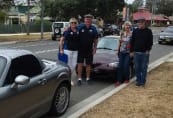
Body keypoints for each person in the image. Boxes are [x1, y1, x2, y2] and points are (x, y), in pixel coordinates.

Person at [130, 17, 153, 87]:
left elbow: (150, 42)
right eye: (139, 23)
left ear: (144, 23)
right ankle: (138, 80)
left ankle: (143, 82)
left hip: (144, 53)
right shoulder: (135, 31)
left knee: (143, 67)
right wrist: (131, 51)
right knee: (137, 67)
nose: (140, 24)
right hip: (136, 53)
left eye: (141, 23)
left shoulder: (148, 31)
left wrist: (148, 50)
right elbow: (132, 41)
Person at [77, 14, 98, 86]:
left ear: (91, 20)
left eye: (89, 19)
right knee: (80, 64)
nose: (88, 20)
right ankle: (79, 79)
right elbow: (73, 31)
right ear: (84, 20)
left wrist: (95, 48)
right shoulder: (80, 27)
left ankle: (88, 78)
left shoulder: (94, 29)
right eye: (86, 19)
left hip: (89, 50)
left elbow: (95, 40)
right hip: (80, 49)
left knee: (88, 65)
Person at [59, 18, 79, 85]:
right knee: (68, 65)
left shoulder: (78, 30)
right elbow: (61, 40)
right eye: (72, 23)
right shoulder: (67, 31)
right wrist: (61, 50)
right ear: (70, 23)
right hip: (67, 50)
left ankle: (68, 77)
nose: (73, 24)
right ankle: (68, 79)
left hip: (75, 51)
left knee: (73, 65)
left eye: (75, 23)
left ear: (76, 23)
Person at [115, 21, 132, 87]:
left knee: (126, 66)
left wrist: (132, 52)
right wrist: (117, 50)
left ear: (130, 27)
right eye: (126, 25)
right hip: (121, 52)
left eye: (128, 25)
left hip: (128, 53)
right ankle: (119, 80)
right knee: (120, 67)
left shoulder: (132, 34)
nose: (127, 27)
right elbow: (120, 42)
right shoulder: (122, 33)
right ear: (124, 26)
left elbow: (133, 43)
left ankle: (126, 79)